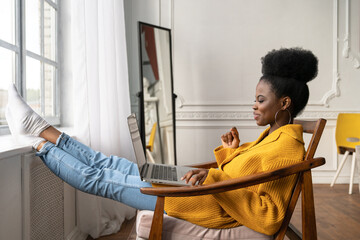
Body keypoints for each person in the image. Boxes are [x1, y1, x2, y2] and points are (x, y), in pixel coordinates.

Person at [6, 47, 318, 236]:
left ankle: (37, 142)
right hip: (200, 189)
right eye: (254, 98)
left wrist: (214, 175)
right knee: (112, 164)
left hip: (199, 201)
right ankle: (43, 129)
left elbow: (268, 217)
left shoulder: (287, 148)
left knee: (101, 178)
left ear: (284, 104)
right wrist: (230, 154)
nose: (253, 105)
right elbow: (245, 179)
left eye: (260, 100)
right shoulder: (275, 135)